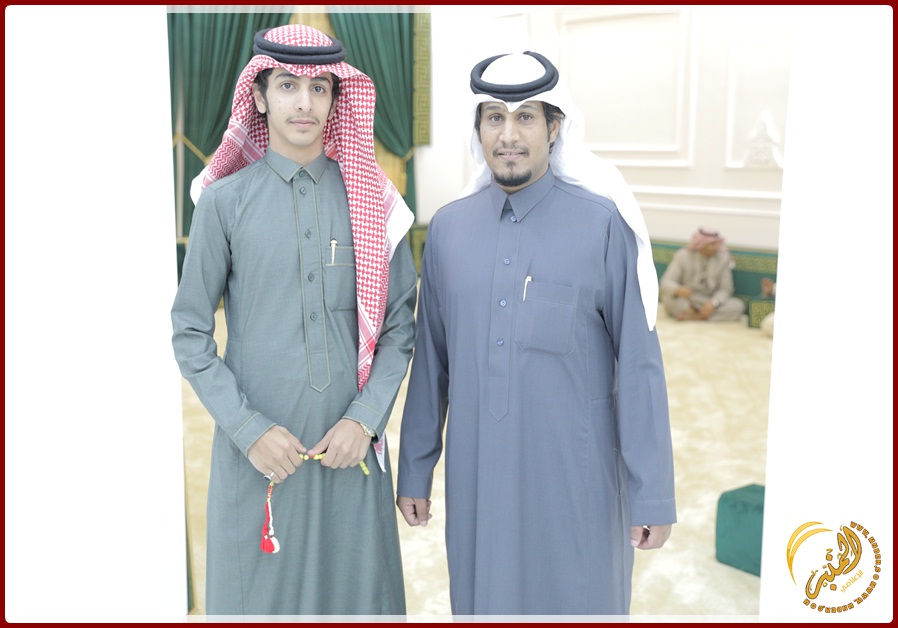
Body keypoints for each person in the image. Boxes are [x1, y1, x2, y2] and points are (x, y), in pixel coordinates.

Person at [395, 51, 676, 615]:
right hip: (479, 480)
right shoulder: (448, 230)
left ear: (554, 127)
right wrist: (415, 469)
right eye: (494, 117)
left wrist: (653, 491)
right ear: (478, 130)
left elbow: (639, 364)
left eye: (526, 117)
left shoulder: (603, 223)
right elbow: (431, 364)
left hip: (577, 481)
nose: (508, 135)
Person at [171, 24, 417, 615]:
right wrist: (248, 429)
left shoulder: (372, 201)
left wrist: (365, 420)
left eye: (319, 88)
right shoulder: (224, 203)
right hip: (258, 456)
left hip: (350, 453)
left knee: (357, 599)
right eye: (287, 85)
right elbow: (190, 332)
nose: (304, 102)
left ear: (336, 99)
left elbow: (399, 326)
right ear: (258, 97)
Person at [659, 227, 745, 321]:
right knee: (669, 299)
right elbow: (666, 282)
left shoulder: (722, 259)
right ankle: (701, 316)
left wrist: (713, 303)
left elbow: (726, 289)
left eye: (717, 244)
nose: (716, 247)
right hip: (688, 299)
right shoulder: (683, 256)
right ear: (702, 244)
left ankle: (695, 317)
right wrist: (678, 289)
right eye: (712, 244)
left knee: (737, 306)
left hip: (708, 300)